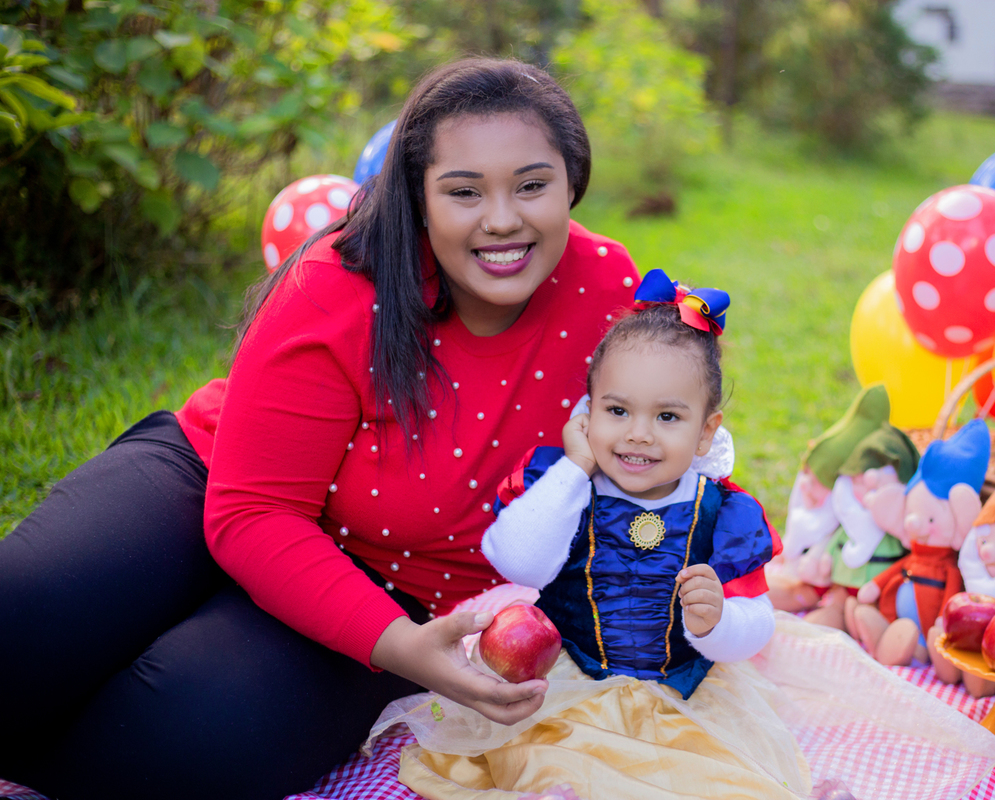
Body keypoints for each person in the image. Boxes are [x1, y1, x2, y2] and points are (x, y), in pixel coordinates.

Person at [0, 58, 639, 800]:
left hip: (390, 590)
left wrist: (408, 648)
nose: (501, 219)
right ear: (418, 196)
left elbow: (662, 451)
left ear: (572, 184)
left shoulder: (607, 289)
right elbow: (252, 509)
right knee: (22, 625)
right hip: (215, 478)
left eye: (531, 185)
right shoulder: (340, 279)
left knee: (189, 741)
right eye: (464, 191)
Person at [377, 270, 812, 799]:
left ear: (705, 432)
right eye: (617, 410)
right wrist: (576, 467)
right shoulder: (565, 487)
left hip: (683, 695)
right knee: (554, 767)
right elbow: (518, 562)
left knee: (712, 781)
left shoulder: (724, 513)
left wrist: (718, 623)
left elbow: (758, 622)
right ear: (587, 411)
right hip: (573, 686)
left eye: (667, 416)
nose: (638, 433)